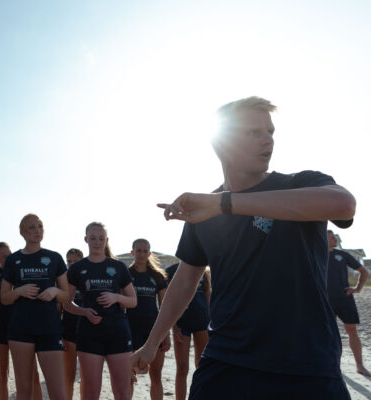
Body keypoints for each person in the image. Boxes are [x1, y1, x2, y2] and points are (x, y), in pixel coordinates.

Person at [131, 96, 357, 399]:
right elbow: (184, 282)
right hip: (227, 361)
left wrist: (225, 204)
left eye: (270, 131)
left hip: (306, 364)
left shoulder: (299, 184)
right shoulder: (205, 209)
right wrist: (150, 344)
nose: (268, 140)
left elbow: (343, 205)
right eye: (254, 132)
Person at [1, 213, 70, 400]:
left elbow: (66, 295)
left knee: (58, 393)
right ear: (22, 232)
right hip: (21, 329)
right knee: (24, 391)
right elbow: (4, 298)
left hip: (49, 328)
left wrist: (55, 291)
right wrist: (19, 291)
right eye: (32, 227)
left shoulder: (54, 257)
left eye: (40, 226)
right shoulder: (13, 260)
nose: (37, 230)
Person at [65, 222, 136, 400]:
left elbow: (133, 300)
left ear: (107, 240)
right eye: (93, 238)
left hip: (118, 331)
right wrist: (84, 311)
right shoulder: (77, 268)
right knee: (90, 392)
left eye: (101, 238)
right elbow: (66, 303)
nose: (97, 242)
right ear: (86, 239)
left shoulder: (118, 267)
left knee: (123, 391)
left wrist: (116, 297)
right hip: (89, 333)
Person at [0, 242, 43, 400]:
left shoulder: (21, 272)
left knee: (32, 373)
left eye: (9, 254)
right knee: (2, 373)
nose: (9, 258)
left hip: (22, 326)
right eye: (4, 256)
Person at [125, 239, 169, 400]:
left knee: (156, 375)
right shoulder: (126, 274)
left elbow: (164, 307)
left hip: (154, 330)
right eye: (138, 250)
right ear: (132, 252)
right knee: (129, 375)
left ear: (149, 253)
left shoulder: (157, 276)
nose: (142, 254)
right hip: (130, 329)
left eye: (145, 251)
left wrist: (166, 335)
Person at [327, 229, 370, 376]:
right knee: (328, 333)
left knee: (352, 330)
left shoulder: (343, 255)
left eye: (335, 237)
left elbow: (364, 271)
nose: (335, 239)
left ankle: (360, 366)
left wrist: (357, 288)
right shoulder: (315, 254)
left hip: (345, 298)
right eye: (331, 237)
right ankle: (334, 366)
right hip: (325, 300)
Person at [164, 262, 210, 400]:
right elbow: (169, 299)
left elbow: (208, 296)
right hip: (181, 322)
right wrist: (174, 326)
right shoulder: (171, 270)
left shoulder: (204, 270)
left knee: (202, 366)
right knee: (182, 368)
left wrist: (211, 320)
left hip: (202, 321)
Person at [62, 248, 84, 400]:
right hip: (68, 332)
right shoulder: (62, 281)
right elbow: (58, 310)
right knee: (68, 376)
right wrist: (59, 335)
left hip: (88, 332)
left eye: (75, 261)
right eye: (69, 261)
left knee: (86, 377)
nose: (71, 264)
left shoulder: (89, 279)